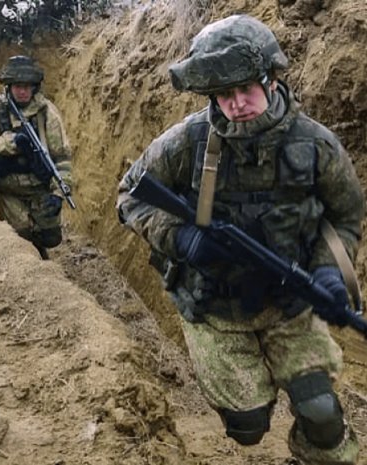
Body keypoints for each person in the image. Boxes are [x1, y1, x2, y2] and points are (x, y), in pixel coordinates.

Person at [116, 15, 363, 464]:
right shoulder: (187, 142)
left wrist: (329, 272)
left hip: (289, 308)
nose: (236, 104)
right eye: (223, 95)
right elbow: (129, 197)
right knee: (247, 427)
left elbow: (345, 218)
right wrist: (181, 238)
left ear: (270, 80)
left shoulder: (316, 146)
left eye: (246, 89)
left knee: (321, 414)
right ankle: (252, 399)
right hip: (215, 312)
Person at [0, 55, 74, 259]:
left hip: (39, 187)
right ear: (9, 86)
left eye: (27, 86)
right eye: (17, 86)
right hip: (8, 188)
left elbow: (62, 159)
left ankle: (42, 254)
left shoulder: (47, 113)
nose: (22, 91)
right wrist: (13, 142)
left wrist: (58, 194)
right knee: (21, 240)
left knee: (50, 237)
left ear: (35, 87)